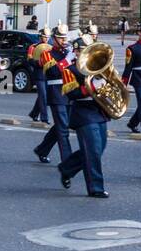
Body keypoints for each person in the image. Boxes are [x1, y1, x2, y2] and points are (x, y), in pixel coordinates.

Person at [58, 49, 110, 198]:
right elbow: (72, 93)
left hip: (99, 111)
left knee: (99, 148)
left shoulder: (96, 67)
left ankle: (67, 168)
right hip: (83, 112)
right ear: (76, 52)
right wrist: (93, 87)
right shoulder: (70, 70)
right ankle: (96, 188)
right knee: (93, 150)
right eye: (83, 50)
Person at [34, 26, 75, 166]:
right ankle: (68, 163)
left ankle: (42, 149)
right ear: (54, 38)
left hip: (71, 92)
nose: (64, 41)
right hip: (56, 92)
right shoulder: (47, 53)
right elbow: (52, 72)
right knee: (63, 129)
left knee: (62, 125)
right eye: (61, 38)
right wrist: (68, 60)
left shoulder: (70, 52)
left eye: (66, 38)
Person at [26, 27, 52, 124]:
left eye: (48, 37)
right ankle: (44, 118)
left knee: (43, 96)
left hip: (48, 74)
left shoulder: (50, 47)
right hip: (39, 74)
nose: (46, 39)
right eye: (45, 37)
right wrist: (39, 63)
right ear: (40, 36)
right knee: (43, 96)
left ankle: (34, 113)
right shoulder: (33, 46)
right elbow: (29, 60)